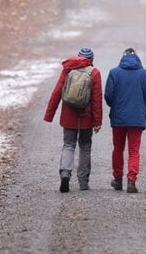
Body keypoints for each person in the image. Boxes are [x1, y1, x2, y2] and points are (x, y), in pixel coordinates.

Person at [43, 47, 102, 192]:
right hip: (86, 117)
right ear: (91, 60)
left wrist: (49, 115)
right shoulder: (94, 73)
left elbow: (57, 92)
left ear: (79, 57)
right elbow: (96, 99)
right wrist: (97, 122)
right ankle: (83, 182)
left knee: (68, 145)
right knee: (85, 147)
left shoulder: (68, 69)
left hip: (68, 117)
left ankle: (65, 173)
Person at [104, 47, 146, 193]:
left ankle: (118, 179)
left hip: (118, 118)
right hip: (137, 119)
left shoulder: (114, 73)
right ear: (137, 58)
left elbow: (108, 96)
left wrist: (116, 106)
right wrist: (140, 106)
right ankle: (131, 181)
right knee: (134, 151)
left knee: (118, 149)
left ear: (122, 57)